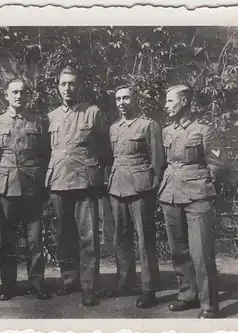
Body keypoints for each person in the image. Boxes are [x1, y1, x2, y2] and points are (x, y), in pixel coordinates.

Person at [159, 84, 229, 318]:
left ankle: (209, 305)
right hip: (170, 194)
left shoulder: (204, 131)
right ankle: (187, 295)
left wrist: (204, 188)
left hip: (197, 196)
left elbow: (218, 166)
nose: (166, 106)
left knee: (201, 252)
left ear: (185, 102)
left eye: (170, 101)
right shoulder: (167, 131)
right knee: (178, 250)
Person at [46, 67, 111, 307]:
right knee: (63, 235)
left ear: (80, 86)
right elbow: (47, 151)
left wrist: (98, 174)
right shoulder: (51, 117)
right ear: (57, 87)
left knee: (88, 236)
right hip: (59, 180)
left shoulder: (93, 113)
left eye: (72, 84)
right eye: (63, 84)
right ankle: (68, 279)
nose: (67, 88)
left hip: (85, 181)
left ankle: (89, 286)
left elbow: (105, 148)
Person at [0, 78, 51, 301]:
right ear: (6, 95)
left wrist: (42, 181)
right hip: (6, 189)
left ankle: (37, 284)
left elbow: (46, 153)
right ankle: (8, 286)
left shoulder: (39, 121)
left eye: (22, 92)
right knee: (8, 240)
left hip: (33, 188)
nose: (18, 96)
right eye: (14, 92)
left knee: (35, 240)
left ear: (28, 95)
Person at [104, 85, 165, 308]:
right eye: (118, 99)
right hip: (117, 187)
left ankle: (149, 288)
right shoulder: (114, 128)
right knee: (120, 236)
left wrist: (154, 187)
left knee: (145, 239)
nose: (122, 102)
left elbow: (158, 161)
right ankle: (125, 281)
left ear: (135, 99)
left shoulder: (148, 125)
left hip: (141, 188)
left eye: (126, 98)